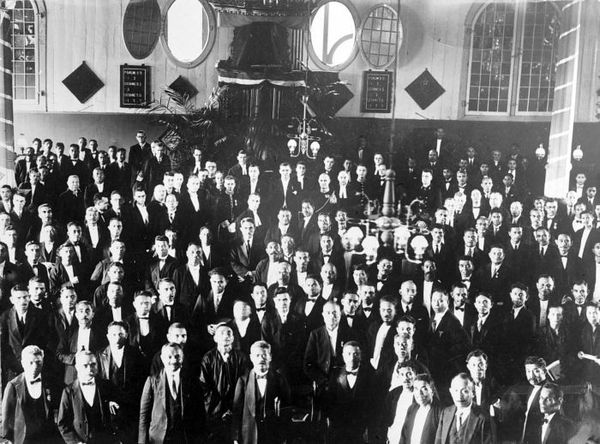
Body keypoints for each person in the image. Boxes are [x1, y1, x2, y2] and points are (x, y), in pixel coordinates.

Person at [138, 343, 204, 443]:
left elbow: (200, 413)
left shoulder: (192, 381)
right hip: (158, 439)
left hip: (185, 438)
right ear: (162, 358)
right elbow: (144, 415)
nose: (173, 361)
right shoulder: (152, 381)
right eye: (169, 357)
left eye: (177, 356)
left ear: (182, 358)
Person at [232, 340, 291, 444]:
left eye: (264, 355)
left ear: (270, 357)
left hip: (273, 435)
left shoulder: (280, 380)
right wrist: (236, 438)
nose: (261, 359)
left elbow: (286, 411)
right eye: (257, 355)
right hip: (249, 435)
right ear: (251, 358)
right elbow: (237, 411)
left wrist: (284, 436)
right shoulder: (243, 380)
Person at [200, 322, 250, 444]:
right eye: (221, 333)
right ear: (215, 338)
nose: (226, 336)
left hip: (236, 410)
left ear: (233, 338)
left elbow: (244, 384)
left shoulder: (241, 358)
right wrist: (220, 409)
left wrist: (232, 408)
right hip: (214, 412)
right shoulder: (208, 358)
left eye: (229, 333)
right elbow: (204, 387)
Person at [57, 351, 121, 444]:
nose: (90, 369)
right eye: (85, 365)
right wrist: (76, 442)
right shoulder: (68, 391)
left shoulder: (107, 386)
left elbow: (120, 413)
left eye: (93, 364)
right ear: (77, 367)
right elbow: (62, 423)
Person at [1, 345, 61, 444]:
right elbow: (5, 421)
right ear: (23, 363)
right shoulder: (13, 386)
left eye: (38, 362)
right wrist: (12, 440)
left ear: (43, 362)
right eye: (30, 363)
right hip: (23, 439)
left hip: (47, 438)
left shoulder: (50, 382)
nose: (35, 367)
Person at [324, 341, 373, 444]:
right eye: (348, 354)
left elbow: (372, 405)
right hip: (339, 429)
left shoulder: (369, 375)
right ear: (343, 356)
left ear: (361, 356)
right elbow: (329, 402)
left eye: (356, 354)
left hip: (360, 429)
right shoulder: (335, 374)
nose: (352, 358)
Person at [434, 373, 492, 444]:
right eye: (456, 390)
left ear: (473, 393)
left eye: (465, 391)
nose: (459, 395)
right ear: (451, 392)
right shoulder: (445, 413)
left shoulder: (483, 417)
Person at [399, 373, 441, 444]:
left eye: (424, 389)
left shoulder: (440, 412)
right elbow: (404, 437)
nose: (419, 393)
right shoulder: (412, 409)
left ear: (432, 390)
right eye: (416, 389)